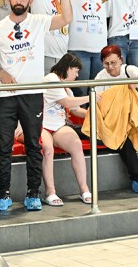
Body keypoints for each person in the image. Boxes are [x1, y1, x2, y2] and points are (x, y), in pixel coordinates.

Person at [0, 0, 72, 212]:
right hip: (5, 96)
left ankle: (34, 192)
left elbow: (65, 19)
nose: (19, 1)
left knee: (34, 144)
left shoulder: (39, 21)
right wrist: (1, 74)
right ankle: (3, 194)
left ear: (29, 1)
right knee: (3, 146)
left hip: (32, 94)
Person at [94, 45, 138, 194]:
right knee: (121, 138)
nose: (110, 67)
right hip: (115, 121)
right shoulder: (100, 77)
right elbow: (97, 102)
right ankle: (137, 176)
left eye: (113, 63)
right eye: (106, 63)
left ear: (121, 60)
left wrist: (135, 82)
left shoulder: (129, 70)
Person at [40, 53, 93, 206]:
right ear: (68, 68)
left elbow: (75, 110)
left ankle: (84, 189)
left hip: (58, 126)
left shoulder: (66, 88)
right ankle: (50, 192)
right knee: (47, 148)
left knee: (76, 144)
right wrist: (90, 97)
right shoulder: (51, 79)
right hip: (41, 125)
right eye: (76, 71)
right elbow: (66, 102)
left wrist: (96, 114)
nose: (77, 76)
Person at [66, 0, 110, 93]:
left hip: (99, 50)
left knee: (98, 91)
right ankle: (83, 114)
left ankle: (95, 115)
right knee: (81, 91)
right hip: (78, 48)